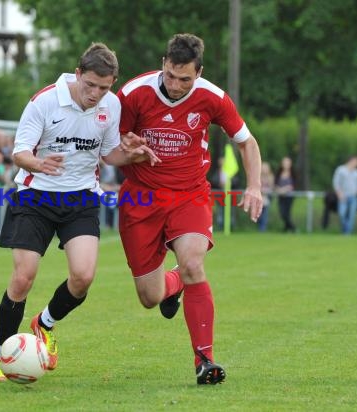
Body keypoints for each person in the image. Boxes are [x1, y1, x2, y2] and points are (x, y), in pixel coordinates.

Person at [0, 43, 159, 381]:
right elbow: (20, 153)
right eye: (90, 84)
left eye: (104, 87)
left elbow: (109, 155)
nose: (95, 94)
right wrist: (39, 163)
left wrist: (137, 155)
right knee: (23, 278)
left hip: (80, 198)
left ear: (112, 84)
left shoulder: (111, 106)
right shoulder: (45, 101)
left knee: (83, 277)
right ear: (77, 74)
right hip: (35, 196)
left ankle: (44, 323)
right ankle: (0, 356)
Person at [116, 33, 263, 385]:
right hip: (141, 198)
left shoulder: (213, 98)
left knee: (194, 263)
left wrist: (255, 186)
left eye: (185, 79)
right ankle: (174, 282)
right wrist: (130, 150)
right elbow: (111, 147)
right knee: (150, 297)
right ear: (164, 63)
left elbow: (247, 143)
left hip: (189, 195)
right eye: (170, 75)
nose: (177, 85)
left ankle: (205, 361)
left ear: (199, 73)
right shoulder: (133, 93)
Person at [333, 155, 357, 235]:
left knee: (351, 216)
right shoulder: (341, 170)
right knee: (342, 214)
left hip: (354, 196)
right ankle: (345, 229)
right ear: (351, 161)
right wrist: (339, 194)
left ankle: (348, 233)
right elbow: (336, 183)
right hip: (343, 196)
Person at [275, 156, 296, 232]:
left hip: (289, 197)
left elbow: (292, 186)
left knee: (286, 213)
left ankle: (291, 228)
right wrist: (280, 190)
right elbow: (276, 184)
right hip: (281, 196)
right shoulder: (279, 174)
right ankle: (288, 228)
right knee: (282, 213)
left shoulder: (293, 174)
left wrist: (283, 189)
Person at [257, 161, 274, 232]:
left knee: (265, 215)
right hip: (258, 198)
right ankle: (260, 227)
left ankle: (262, 229)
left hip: (266, 199)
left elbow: (271, 187)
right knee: (259, 215)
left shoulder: (271, 177)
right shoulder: (257, 176)